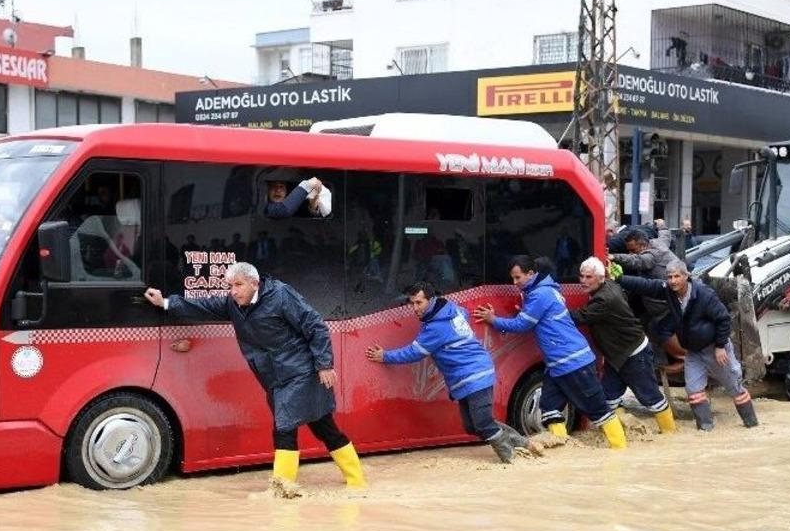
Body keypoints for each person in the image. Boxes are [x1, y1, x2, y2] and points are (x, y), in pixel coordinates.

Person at [144, 262, 367, 493]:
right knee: (324, 428)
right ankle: (357, 481)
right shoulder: (233, 303)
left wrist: (324, 365)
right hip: (274, 377)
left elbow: (315, 326)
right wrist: (166, 302)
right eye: (230, 286)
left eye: (238, 285)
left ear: (254, 283)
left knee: (284, 427)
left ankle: (283, 490)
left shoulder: (280, 295)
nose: (233, 291)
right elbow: (205, 306)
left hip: (300, 371)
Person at [365, 282, 531, 463]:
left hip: (475, 375)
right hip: (470, 376)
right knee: (472, 427)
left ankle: (511, 459)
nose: (414, 308)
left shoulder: (436, 328)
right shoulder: (452, 309)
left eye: (418, 303)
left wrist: (385, 356)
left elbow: (414, 353)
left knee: (482, 424)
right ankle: (522, 443)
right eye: (411, 303)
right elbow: (465, 313)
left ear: (431, 300)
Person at [472, 255, 627, 448]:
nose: (515, 282)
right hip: (557, 366)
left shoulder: (540, 294)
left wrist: (493, 319)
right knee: (550, 409)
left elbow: (522, 324)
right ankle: (562, 449)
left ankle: (620, 450)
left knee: (599, 410)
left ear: (530, 274)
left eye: (517, 277)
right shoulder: (543, 291)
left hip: (573, 362)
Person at [617, 260, 759, 431]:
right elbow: (647, 286)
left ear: (686, 276)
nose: (673, 281)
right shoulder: (669, 291)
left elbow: (723, 319)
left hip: (714, 349)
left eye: (677, 276)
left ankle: (752, 424)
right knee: (693, 390)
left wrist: (720, 346)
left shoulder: (704, 295)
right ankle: (705, 429)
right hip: (693, 351)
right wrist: (619, 278)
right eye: (669, 277)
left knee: (734, 387)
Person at [571, 257, 676, 434]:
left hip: (633, 353)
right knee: (609, 396)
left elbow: (579, 317)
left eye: (588, 277)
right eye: (581, 276)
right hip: (617, 355)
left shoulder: (603, 300)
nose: (583, 281)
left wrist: (553, 311)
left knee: (650, 397)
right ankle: (629, 429)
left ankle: (670, 434)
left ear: (600, 277)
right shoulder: (610, 285)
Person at [611, 227, 682, 344]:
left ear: (643, 245)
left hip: (669, 306)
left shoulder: (650, 256)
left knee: (661, 331)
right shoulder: (660, 243)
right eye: (628, 251)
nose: (630, 254)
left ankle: (680, 358)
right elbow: (665, 235)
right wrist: (662, 225)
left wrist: (614, 257)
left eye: (633, 250)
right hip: (673, 302)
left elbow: (636, 260)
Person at [264, 176, 332, 219]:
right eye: (273, 186)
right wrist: (308, 184)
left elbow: (310, 218)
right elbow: (282, 211)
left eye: (281, 186)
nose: (278, 190)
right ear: (267, 190)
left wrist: (313, 205)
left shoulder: (297, 206)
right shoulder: (264, 207)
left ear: (287, 191)